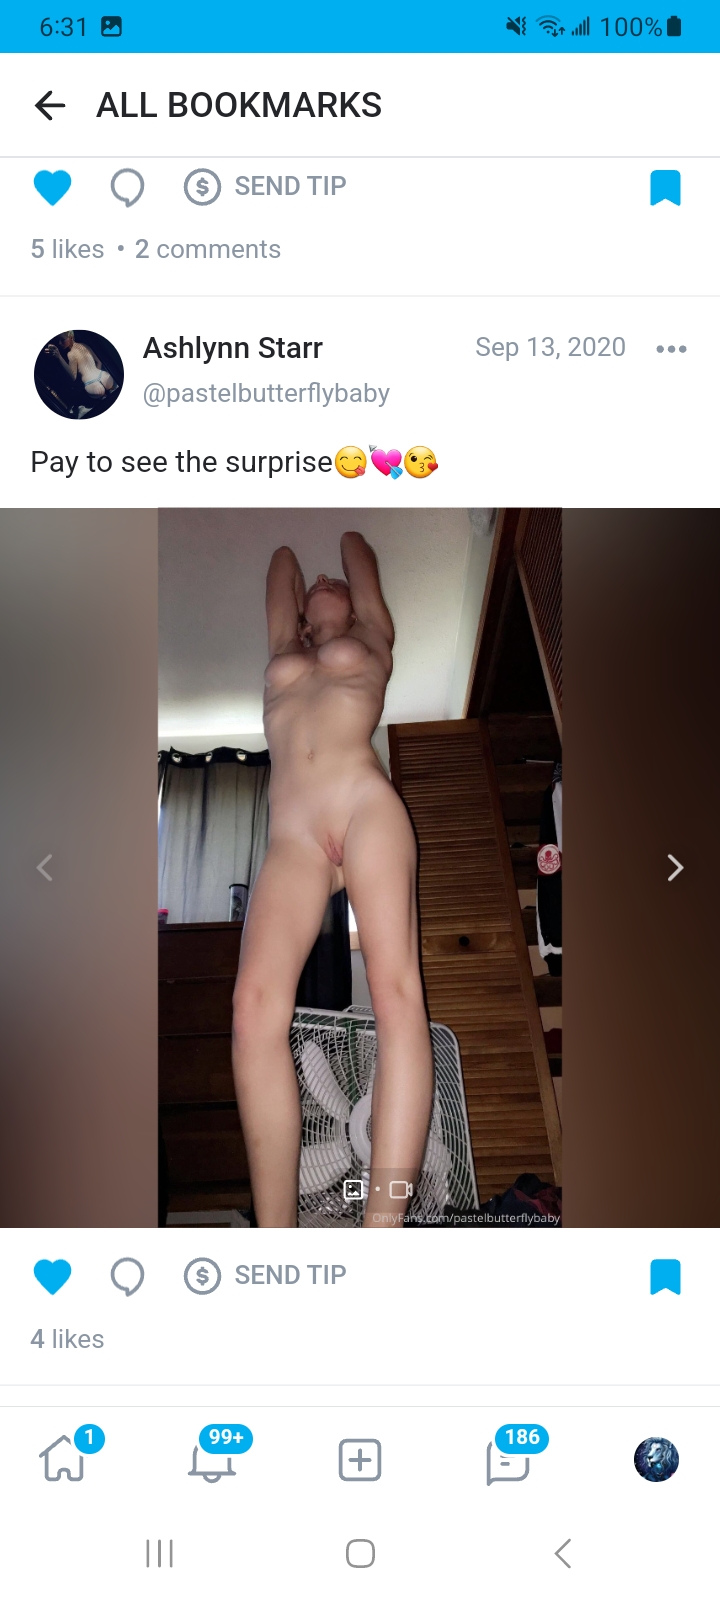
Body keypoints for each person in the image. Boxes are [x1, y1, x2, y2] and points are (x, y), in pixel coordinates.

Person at [232, 531, 434, 1228]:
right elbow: (281, 563)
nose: (322, 577)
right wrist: (305, 613)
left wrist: (343, 596)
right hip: (292, 837)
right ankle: (277, 1241)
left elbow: (352, 545)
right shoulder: (282, 649)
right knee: (252, 1011)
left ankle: (381, 1232)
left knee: (396, 994)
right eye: (315, 588)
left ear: (359, 608)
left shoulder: (374, 635)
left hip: (363, 804)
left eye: (337, 585)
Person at [44, 332, 117, 400]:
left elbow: (73, 376)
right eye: (58, 341)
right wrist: (97, 377)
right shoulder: (84, 345)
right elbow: (99, 362)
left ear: (70, 337)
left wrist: (59, 357)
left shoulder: (70, 354)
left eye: (62, 340)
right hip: (104, 376)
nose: (59, 343)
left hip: (91, 385)